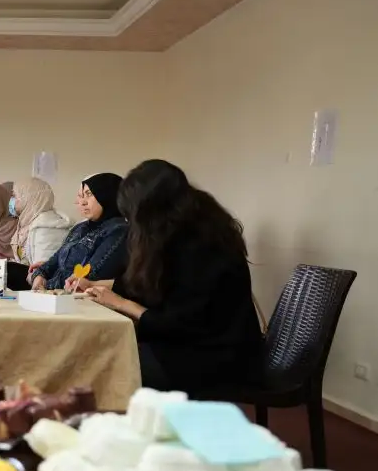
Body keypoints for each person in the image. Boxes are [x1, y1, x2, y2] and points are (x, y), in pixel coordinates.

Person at [76, 160, 263, 393]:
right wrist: (97, 285)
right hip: (191, 346)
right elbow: (151, 286)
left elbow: (177, 324)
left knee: (102, 364)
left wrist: (122, 304)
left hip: (215, 357)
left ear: (152, 212)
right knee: (102, 354)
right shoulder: (181, 233)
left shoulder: (201, 247)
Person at [31, 173, 127, 291]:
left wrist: (45, 286)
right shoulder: (80, 227)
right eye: (81, 196)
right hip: (55, 293)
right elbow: (53, 261)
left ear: (106, 195)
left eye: (89, 195)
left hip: (80, 300)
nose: (82, 202)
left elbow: (86, 278)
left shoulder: (118, 230)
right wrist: (39, 276)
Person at [6, 177, 72, 290]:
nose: (11, 200)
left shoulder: (46, 226)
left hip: (44, 286)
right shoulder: (27, 222)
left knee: (8, 270)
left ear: (28, 197)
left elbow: (45, 271)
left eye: (14, 196)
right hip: (31, 279)